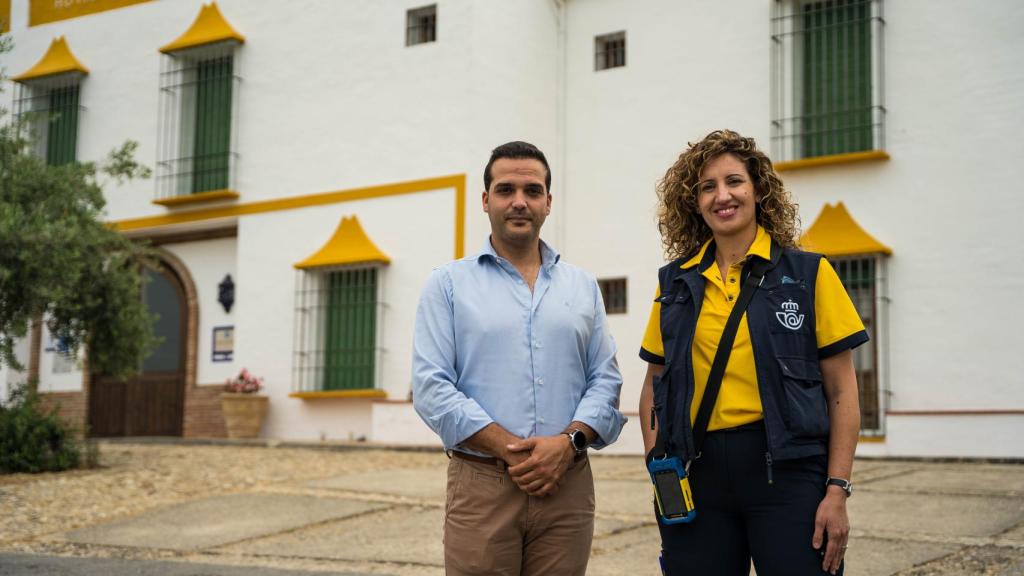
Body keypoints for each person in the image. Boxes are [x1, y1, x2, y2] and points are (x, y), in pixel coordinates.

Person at [638, 130, 865, 576]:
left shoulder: (809, 274)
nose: (722, 196)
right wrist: (657, 463)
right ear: (695, 202)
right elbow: (654, 383)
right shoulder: (675, 283)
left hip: (788, 475)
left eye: (734, 181)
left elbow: (842, 390)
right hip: (696, 475)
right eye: (707, 187)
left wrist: (837, 489)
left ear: (758, 190)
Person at [412, 141, 626, 576]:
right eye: (506, 189)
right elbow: (431, 387)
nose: (519, 201)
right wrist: (514, 451)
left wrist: (566, 444)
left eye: (532, 191)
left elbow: (605, 379)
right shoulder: (447, 284)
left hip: (567, 485)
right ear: (485, 199)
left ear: (548, 201)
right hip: (482, 485)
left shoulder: (582, 286)